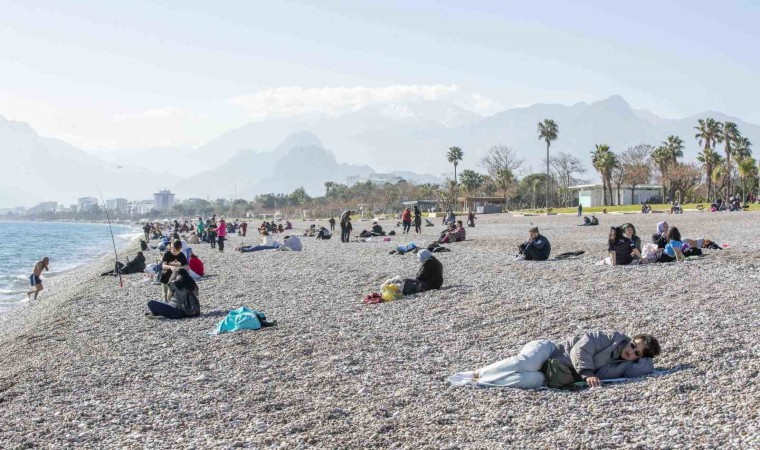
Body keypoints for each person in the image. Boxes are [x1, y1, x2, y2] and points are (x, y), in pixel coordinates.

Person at [448, 330, 661, 389]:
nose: (631, 352)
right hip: (550, 351)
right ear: (630, 339)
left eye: (637, 353)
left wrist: (645, 357)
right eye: (633, 345)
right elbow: (581, 348)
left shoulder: (626, 366)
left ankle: (480, 382)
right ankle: (477, 373)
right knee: (526, 363)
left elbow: (646, 368)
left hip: (554, 374)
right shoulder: (608, 337)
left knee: (528, 381)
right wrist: (587, 373)